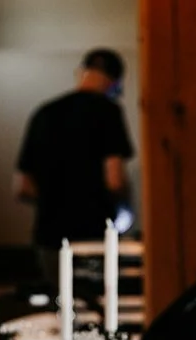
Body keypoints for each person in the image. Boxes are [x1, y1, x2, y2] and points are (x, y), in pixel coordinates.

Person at [15, 48, 134, 280]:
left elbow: (22, 187)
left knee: (61, 306)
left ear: (80, 73)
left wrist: (54, 200)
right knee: (95, 306)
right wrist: (124, 207)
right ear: (114, 83)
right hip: (92, 236)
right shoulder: (108, 112)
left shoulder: (43, 114)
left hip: (48, 236)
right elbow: (115, 180)